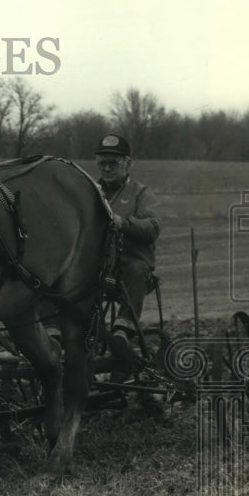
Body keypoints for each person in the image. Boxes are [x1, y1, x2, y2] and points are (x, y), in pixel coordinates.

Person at [94, 133, 162, 363]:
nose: (107, 169)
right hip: (99, 267)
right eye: (102, 163)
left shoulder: (141, 193)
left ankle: (122, 331)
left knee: (137, 269)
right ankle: (62, 329)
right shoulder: (92, 192)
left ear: (128, 164)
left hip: (129, 267)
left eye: (114, 163)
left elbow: (152, 227)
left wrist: (123, 223)